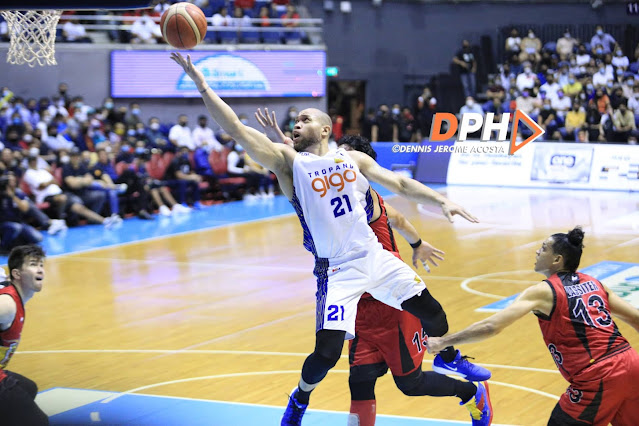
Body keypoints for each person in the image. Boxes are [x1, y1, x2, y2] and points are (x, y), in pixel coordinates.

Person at [170, 53, 491, 426]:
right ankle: (300, 398)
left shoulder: (352, 159)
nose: (296, 123)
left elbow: (400, 184)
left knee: (433, 314)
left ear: (325, 129)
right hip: (337, 270)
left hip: (375, 258)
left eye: (305, 119)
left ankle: (448, 356)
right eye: (295, 120)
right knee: (326, 354)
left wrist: (441, 200)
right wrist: (202, 84)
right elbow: (237, 129)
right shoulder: (289, 164)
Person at [254, 113, 491, 426]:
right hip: (357, 305)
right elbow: (303, 166)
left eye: (341, 160)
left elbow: (399, 216)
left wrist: (419, 242)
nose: (332, 166)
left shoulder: (368, 199)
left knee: (410, 383)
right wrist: (282, 139)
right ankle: (303, 399)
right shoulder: (327, 189)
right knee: (359, 380)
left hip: (391, 302)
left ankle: (467, 387)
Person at [427, 227, 639, 425]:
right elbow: (636, 318)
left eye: (544, 248)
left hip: (598, 375)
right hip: (632, 364)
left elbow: (491, 326)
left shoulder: (543, 291)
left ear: (557, 259)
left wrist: (444, 341)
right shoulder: (594, 283)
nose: (537, 251)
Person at [0, 245, 50, 425]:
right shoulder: (7, 305)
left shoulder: (15, 297)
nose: (40, 269)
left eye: (41, 265)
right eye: (33, 264)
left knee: (29, 388)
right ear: (17, 274)